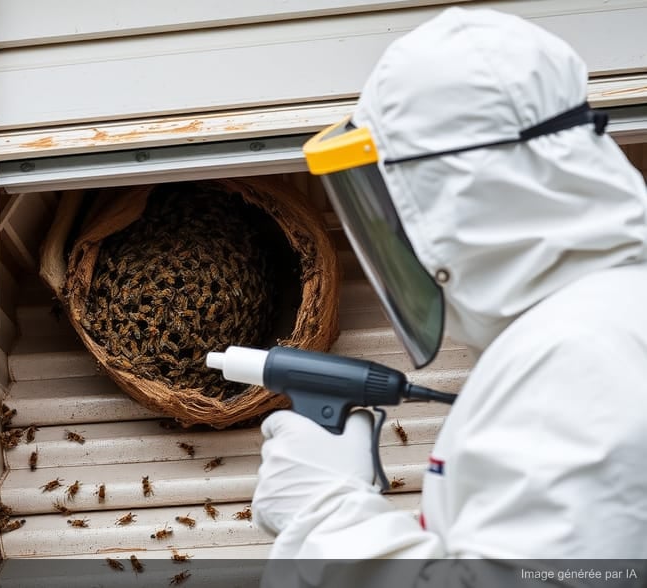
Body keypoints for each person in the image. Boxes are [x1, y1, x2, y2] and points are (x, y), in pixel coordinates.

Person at [251, 6, 647, 584]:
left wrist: (323, 515)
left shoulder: (584, 356)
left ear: (454, 188)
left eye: (394, 203)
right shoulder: (599, 321)